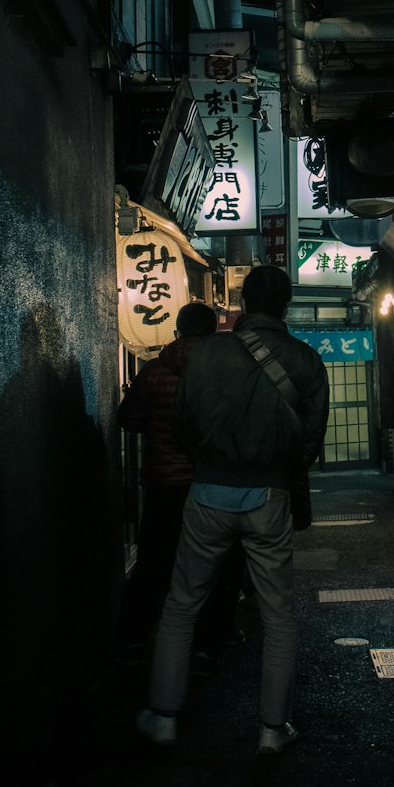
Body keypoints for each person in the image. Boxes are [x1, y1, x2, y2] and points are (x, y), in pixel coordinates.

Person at [136, 264, 329, 755]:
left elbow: (181, 424)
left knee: (182, 603)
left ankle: (162, 716)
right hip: (268, 494)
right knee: (278, 613)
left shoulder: (205, 356)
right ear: (285, 304)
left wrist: (209, 456)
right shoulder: (306, 361)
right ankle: (271, 729)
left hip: (206, 491)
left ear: (244, 301)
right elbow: (310, 443)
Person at [116, 301, 242, 664]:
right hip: (210, 485)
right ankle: (207, 644)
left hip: (163, 484)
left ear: (177, 330)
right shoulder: (224, 372)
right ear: (212, 332)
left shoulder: (154, 371)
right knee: (212, 564)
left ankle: (133, 640)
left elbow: (130, 420)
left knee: (153, 563)